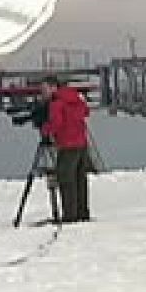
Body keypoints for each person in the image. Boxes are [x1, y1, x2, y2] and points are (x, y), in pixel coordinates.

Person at [42, 76, 92, 223]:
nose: (43, 93)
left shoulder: (56, 103)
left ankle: (70, 215)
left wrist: (46, 129)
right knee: (80, 179)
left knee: (66, 179)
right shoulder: (75, 98)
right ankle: (82, 212)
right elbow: (85, 112)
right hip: (81, 143)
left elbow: (56, 123)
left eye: (45, 89)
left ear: (53, 87)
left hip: (67, 145)